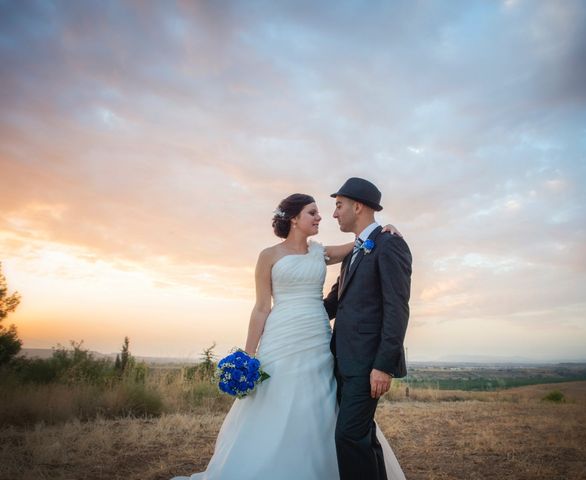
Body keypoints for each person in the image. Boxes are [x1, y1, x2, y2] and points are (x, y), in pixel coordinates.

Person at [171, 192, 406, 480]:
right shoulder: (268, 256)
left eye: (323, 211)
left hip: (317, 338)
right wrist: (247, 354)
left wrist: (388, 230)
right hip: (281, 335)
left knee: (321, 402)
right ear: (294, 218)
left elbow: (365, 244)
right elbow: (260, 308)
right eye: (313, 212)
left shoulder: (321, 252)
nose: (321, 217)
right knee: (277, 398)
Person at [324, 177, 412, 480]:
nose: (334, 213)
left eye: (339, 205)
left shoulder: (391, 245)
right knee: (361, 436)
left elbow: (397, 308)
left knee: (348, 437)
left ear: (357, 206)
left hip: (368, 365)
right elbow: (334, 304)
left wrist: (383, 366)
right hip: (342, 361)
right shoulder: (354, 252)